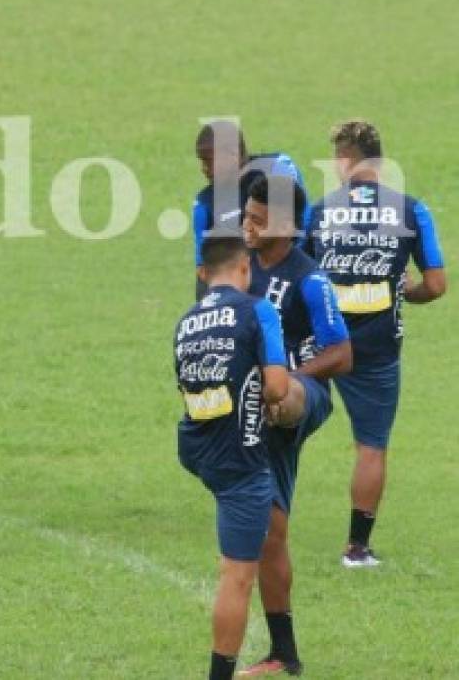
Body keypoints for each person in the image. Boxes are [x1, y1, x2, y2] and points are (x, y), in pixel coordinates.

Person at [303, 120, 445, 567]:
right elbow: (437, 285)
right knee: (371, 445)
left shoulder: (319, 212)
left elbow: (298, 274)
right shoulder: (411, 210)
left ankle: (264, 517)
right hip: (377, 350)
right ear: (380, 161)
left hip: (322, 343)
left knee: (284, 423)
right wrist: (405, 291)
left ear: (344, 161)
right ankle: (356, 548)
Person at [239, 175, 351, 677]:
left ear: (285, 225)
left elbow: (342, 354)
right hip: (256, 414)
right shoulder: (242, 271)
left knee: (281, 397)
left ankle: (276, 400)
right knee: (270, 534)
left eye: (258, 219)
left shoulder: (311, 279)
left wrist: (286, 382)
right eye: (246, 214)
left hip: (305, 398)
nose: (247, 225)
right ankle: (285, 654)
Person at [173, 235, 299, 680]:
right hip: (239, 461)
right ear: (245, 268)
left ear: (203, 274)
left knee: (272, 534)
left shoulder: (186, 321)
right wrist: (267, 394)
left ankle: (286, 651)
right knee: (238, 574)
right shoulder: (257, 309)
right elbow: (280, 387)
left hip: (197, 446)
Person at [192, 121, 302, 298]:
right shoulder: (205, 202)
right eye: (202, 162)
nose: (204, 169)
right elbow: (204, 268)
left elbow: (302, 225)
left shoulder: (276, 168)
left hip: (288, 277)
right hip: (242, 292)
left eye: (209, 161)